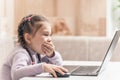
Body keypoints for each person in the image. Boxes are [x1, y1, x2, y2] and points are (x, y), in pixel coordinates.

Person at [1, 14, 68, 80]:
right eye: (46, 34)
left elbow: (59, 67)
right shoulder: (20, 53)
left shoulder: (37, 53)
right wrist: (43, 67)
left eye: (50, 35)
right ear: (28, 38)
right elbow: (16, 74)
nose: (50, 39)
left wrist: (51, 55)